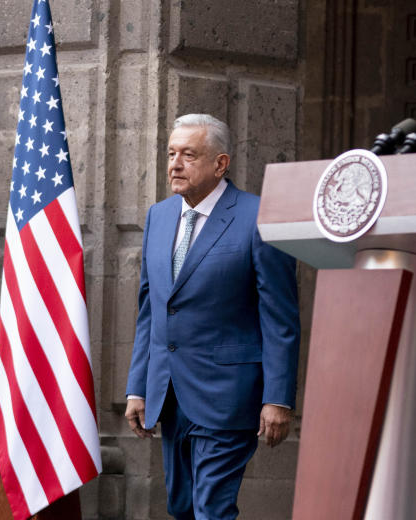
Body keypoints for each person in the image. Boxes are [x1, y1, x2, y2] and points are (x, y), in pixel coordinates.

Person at [125, 113, 300, 519]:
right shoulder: (159, 216)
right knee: (182, 507)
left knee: (212, 510)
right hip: (169, 394)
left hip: (228, 394)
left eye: (189, 154)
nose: (175, 164)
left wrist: (278, 398)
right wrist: (138, 386)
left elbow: (280, 317)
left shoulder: (259, 217)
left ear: (220, 164)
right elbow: (151, 309)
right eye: (171, 154)